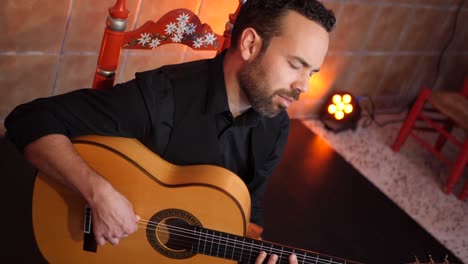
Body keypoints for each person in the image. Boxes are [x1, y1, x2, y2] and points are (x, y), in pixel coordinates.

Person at [5, 0, 335, 263]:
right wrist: (98, 193)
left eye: (313, 71)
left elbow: (251, 207)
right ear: (249, 44)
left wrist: (255, 248)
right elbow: (29, 119)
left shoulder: (275, 123)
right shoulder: (160, 99)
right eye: (296, 65)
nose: (303, 86)